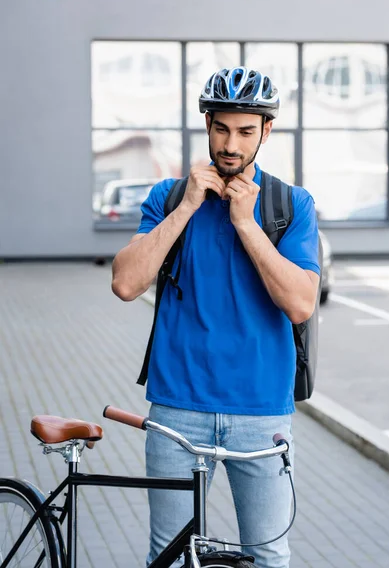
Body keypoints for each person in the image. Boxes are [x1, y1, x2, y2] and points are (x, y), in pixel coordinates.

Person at [111, 66, 321, 568]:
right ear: (206, 125)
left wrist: (246, 224)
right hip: (178, 407)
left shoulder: (290, 205)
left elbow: (300, 303)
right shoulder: (167, 196)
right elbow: (125, 282)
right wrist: (186, 207)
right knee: (169, 556)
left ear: (265, 132)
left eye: (246, 131)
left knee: (268, 557)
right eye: (222, 128)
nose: (231, 143)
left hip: (262, 413)